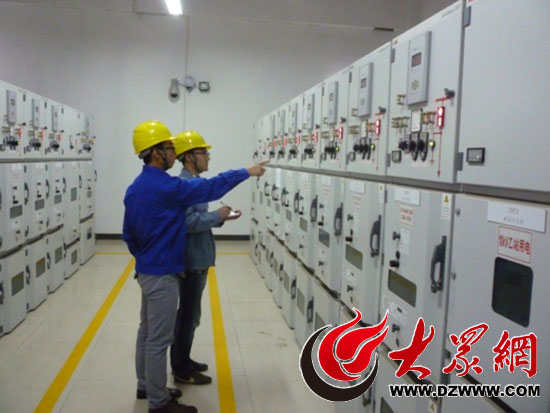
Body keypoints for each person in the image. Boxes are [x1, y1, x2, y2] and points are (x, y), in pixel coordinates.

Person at [123, 120, 267, 413]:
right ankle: (159, 402)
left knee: (146, 332)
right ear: (155, 152)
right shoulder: (166, 187)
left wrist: (147, 256)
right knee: (159, 340)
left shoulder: (136, 187)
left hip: (147, 269)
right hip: (163, 273)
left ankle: (146, 385)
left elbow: (129, 235)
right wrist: (246, 172)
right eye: (169, 148)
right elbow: (210, 187)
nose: (173, 153)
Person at [170, 131, 241, 385]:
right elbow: (188, 222)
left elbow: (196, 219)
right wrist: (216, 216)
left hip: (198, 257)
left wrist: (220, 218)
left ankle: (184, 359)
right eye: (203, 153)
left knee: (192, 315)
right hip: (191, 260)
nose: (208, 157)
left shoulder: (194, 183)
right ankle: (180, 369)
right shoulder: (185, 185)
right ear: (189, 157)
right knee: (188, 316)